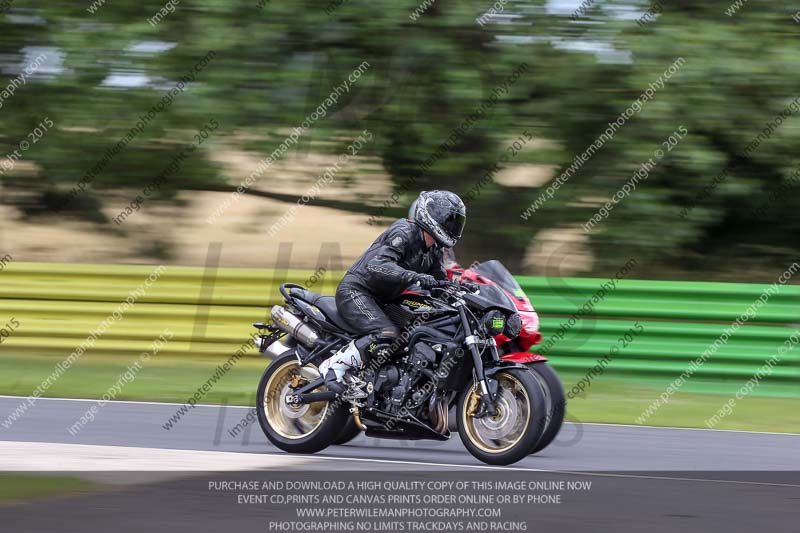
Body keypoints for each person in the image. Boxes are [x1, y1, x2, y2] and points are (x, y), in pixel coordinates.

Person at [319, 190, 466, 397]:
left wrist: (462, 290)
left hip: (384, 301)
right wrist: (414, 276)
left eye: (456, 222)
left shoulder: (434, 250)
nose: (453, 227)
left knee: (411, 336)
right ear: (432, 216)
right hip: (357, 291)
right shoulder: (404, 231)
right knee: (387, 334)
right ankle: (333, 368)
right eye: (449, 221)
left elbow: (440, 281)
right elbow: (377, 265)